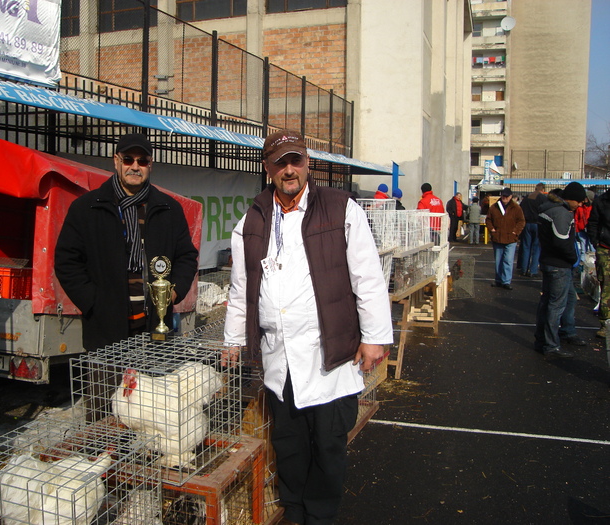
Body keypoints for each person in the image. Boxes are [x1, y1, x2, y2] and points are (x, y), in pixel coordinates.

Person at [223, 129, 393, 525]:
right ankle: (294, 509)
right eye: (280, 162)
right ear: (267, 168)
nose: (289, 170)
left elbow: (367, 276)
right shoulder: (253, 218)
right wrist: (232, 339)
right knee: (290, 443)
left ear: (307, 163)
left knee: (328, 444)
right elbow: (241, 287)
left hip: (328, 354)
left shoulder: (339, 208)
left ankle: (320, 515)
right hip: (279, 356)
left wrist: (374, 338)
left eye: (295, 160)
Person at [54, 133, 199, 352]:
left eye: (142, 161)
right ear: (116, 161)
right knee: (109, 387)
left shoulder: (168, 209)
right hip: (105, 331)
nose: (135, 166)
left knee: (153, 387)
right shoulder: (87, 208)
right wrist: (93, 303)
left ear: (150, 165)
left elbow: (186, 256)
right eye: (128, 159)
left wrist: (173, 292)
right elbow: (67, 261)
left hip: (154, 331)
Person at [534, 181, 588, 358]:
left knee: (550, 302)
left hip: (549, 262)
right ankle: (550, 345)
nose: (580, 205)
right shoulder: (562, 213)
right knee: (555, 306)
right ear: (570, 198)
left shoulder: (548, 209)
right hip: (559, 265)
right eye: (579, 201)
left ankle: (544, 340)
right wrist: (573, 258)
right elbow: (562, 242)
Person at [485, 187, 525, 289]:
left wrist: (515, 232)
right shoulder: (494, 207)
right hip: (497, 237)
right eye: (503, 196)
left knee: (508, 260)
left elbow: (521, 221)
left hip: (511, 238)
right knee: (498, 260)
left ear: (511, 197)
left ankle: (506, 281)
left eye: (507, 196)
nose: (505, 198)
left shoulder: (516, 208)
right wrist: (492, 230)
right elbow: (488, 220)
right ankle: (498, 279)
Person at [586, 188, 610, 339]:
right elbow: (593, 224)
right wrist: (596, 243)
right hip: (605, 249)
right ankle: (605, 323)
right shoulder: (602, 201)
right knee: (607, 287)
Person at [517, 182, 547, 278]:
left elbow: (520, 209)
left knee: (526, 247)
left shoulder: (527, 198)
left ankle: (524, 269)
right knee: (536, 248)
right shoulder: (543, 198)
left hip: (527, 223)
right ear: (543, 189)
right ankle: (533, 270)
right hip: (537, 224)